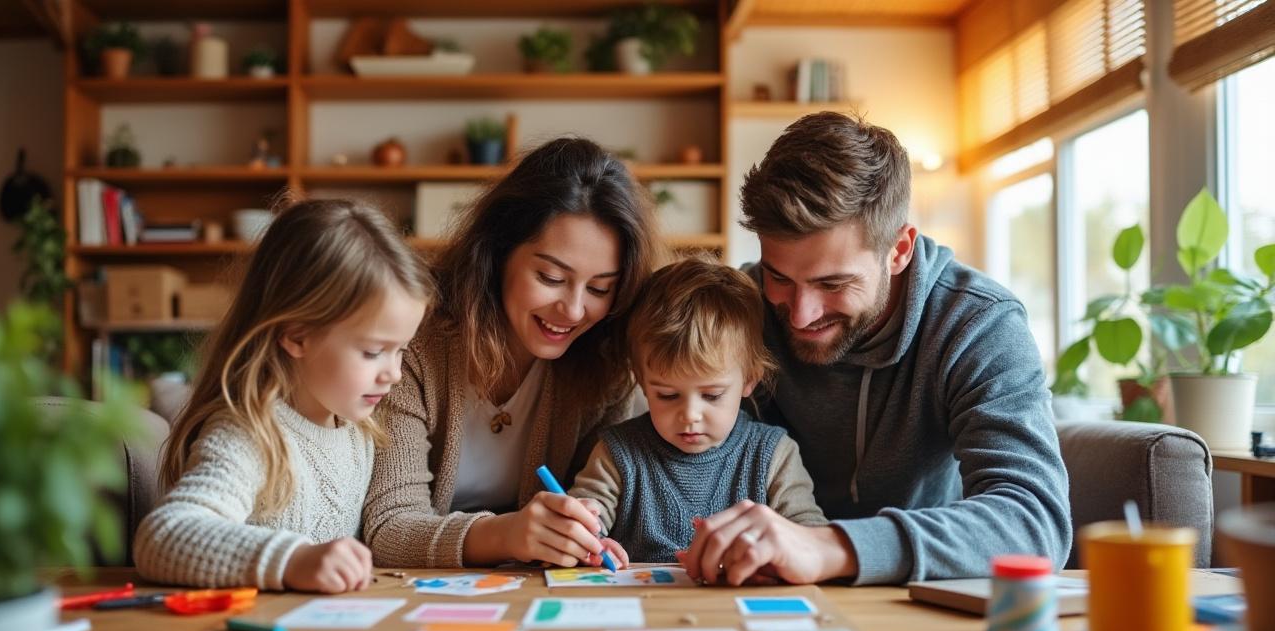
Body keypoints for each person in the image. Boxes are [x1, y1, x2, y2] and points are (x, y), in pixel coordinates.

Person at [679, 112, 1071, 587]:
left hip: (914, 593)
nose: (800, 314)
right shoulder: (739, 309)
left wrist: (831, 547)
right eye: (779, 277)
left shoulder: (977, 323)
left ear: (900, 249)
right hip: (755, 589)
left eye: (833, 283)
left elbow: (1033, 522)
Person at [364, 136, 665, 568]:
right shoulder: (414, 340)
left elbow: (604, 508)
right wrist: (508, 534)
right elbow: (388, 527)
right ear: (499, 252)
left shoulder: (608, 366)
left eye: (600, 288)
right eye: (550, 276)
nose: (575, 310)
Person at [134, 199, 433, 592]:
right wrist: (292, 559)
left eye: (402, 350)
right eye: (373, 351)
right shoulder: (250, 432)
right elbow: (163, 537)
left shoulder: (357, 428)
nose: (394, 373)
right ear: (296, 335)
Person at [567, 257, 828, 565]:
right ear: (641, 381)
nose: (690, 414)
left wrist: (781, 550)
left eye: (712, 395)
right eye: (667, 395)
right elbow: (584, 514)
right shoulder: (617, 453)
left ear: (749, 379)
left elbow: (810, 534)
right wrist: (587, 539)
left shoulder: (773, 456)